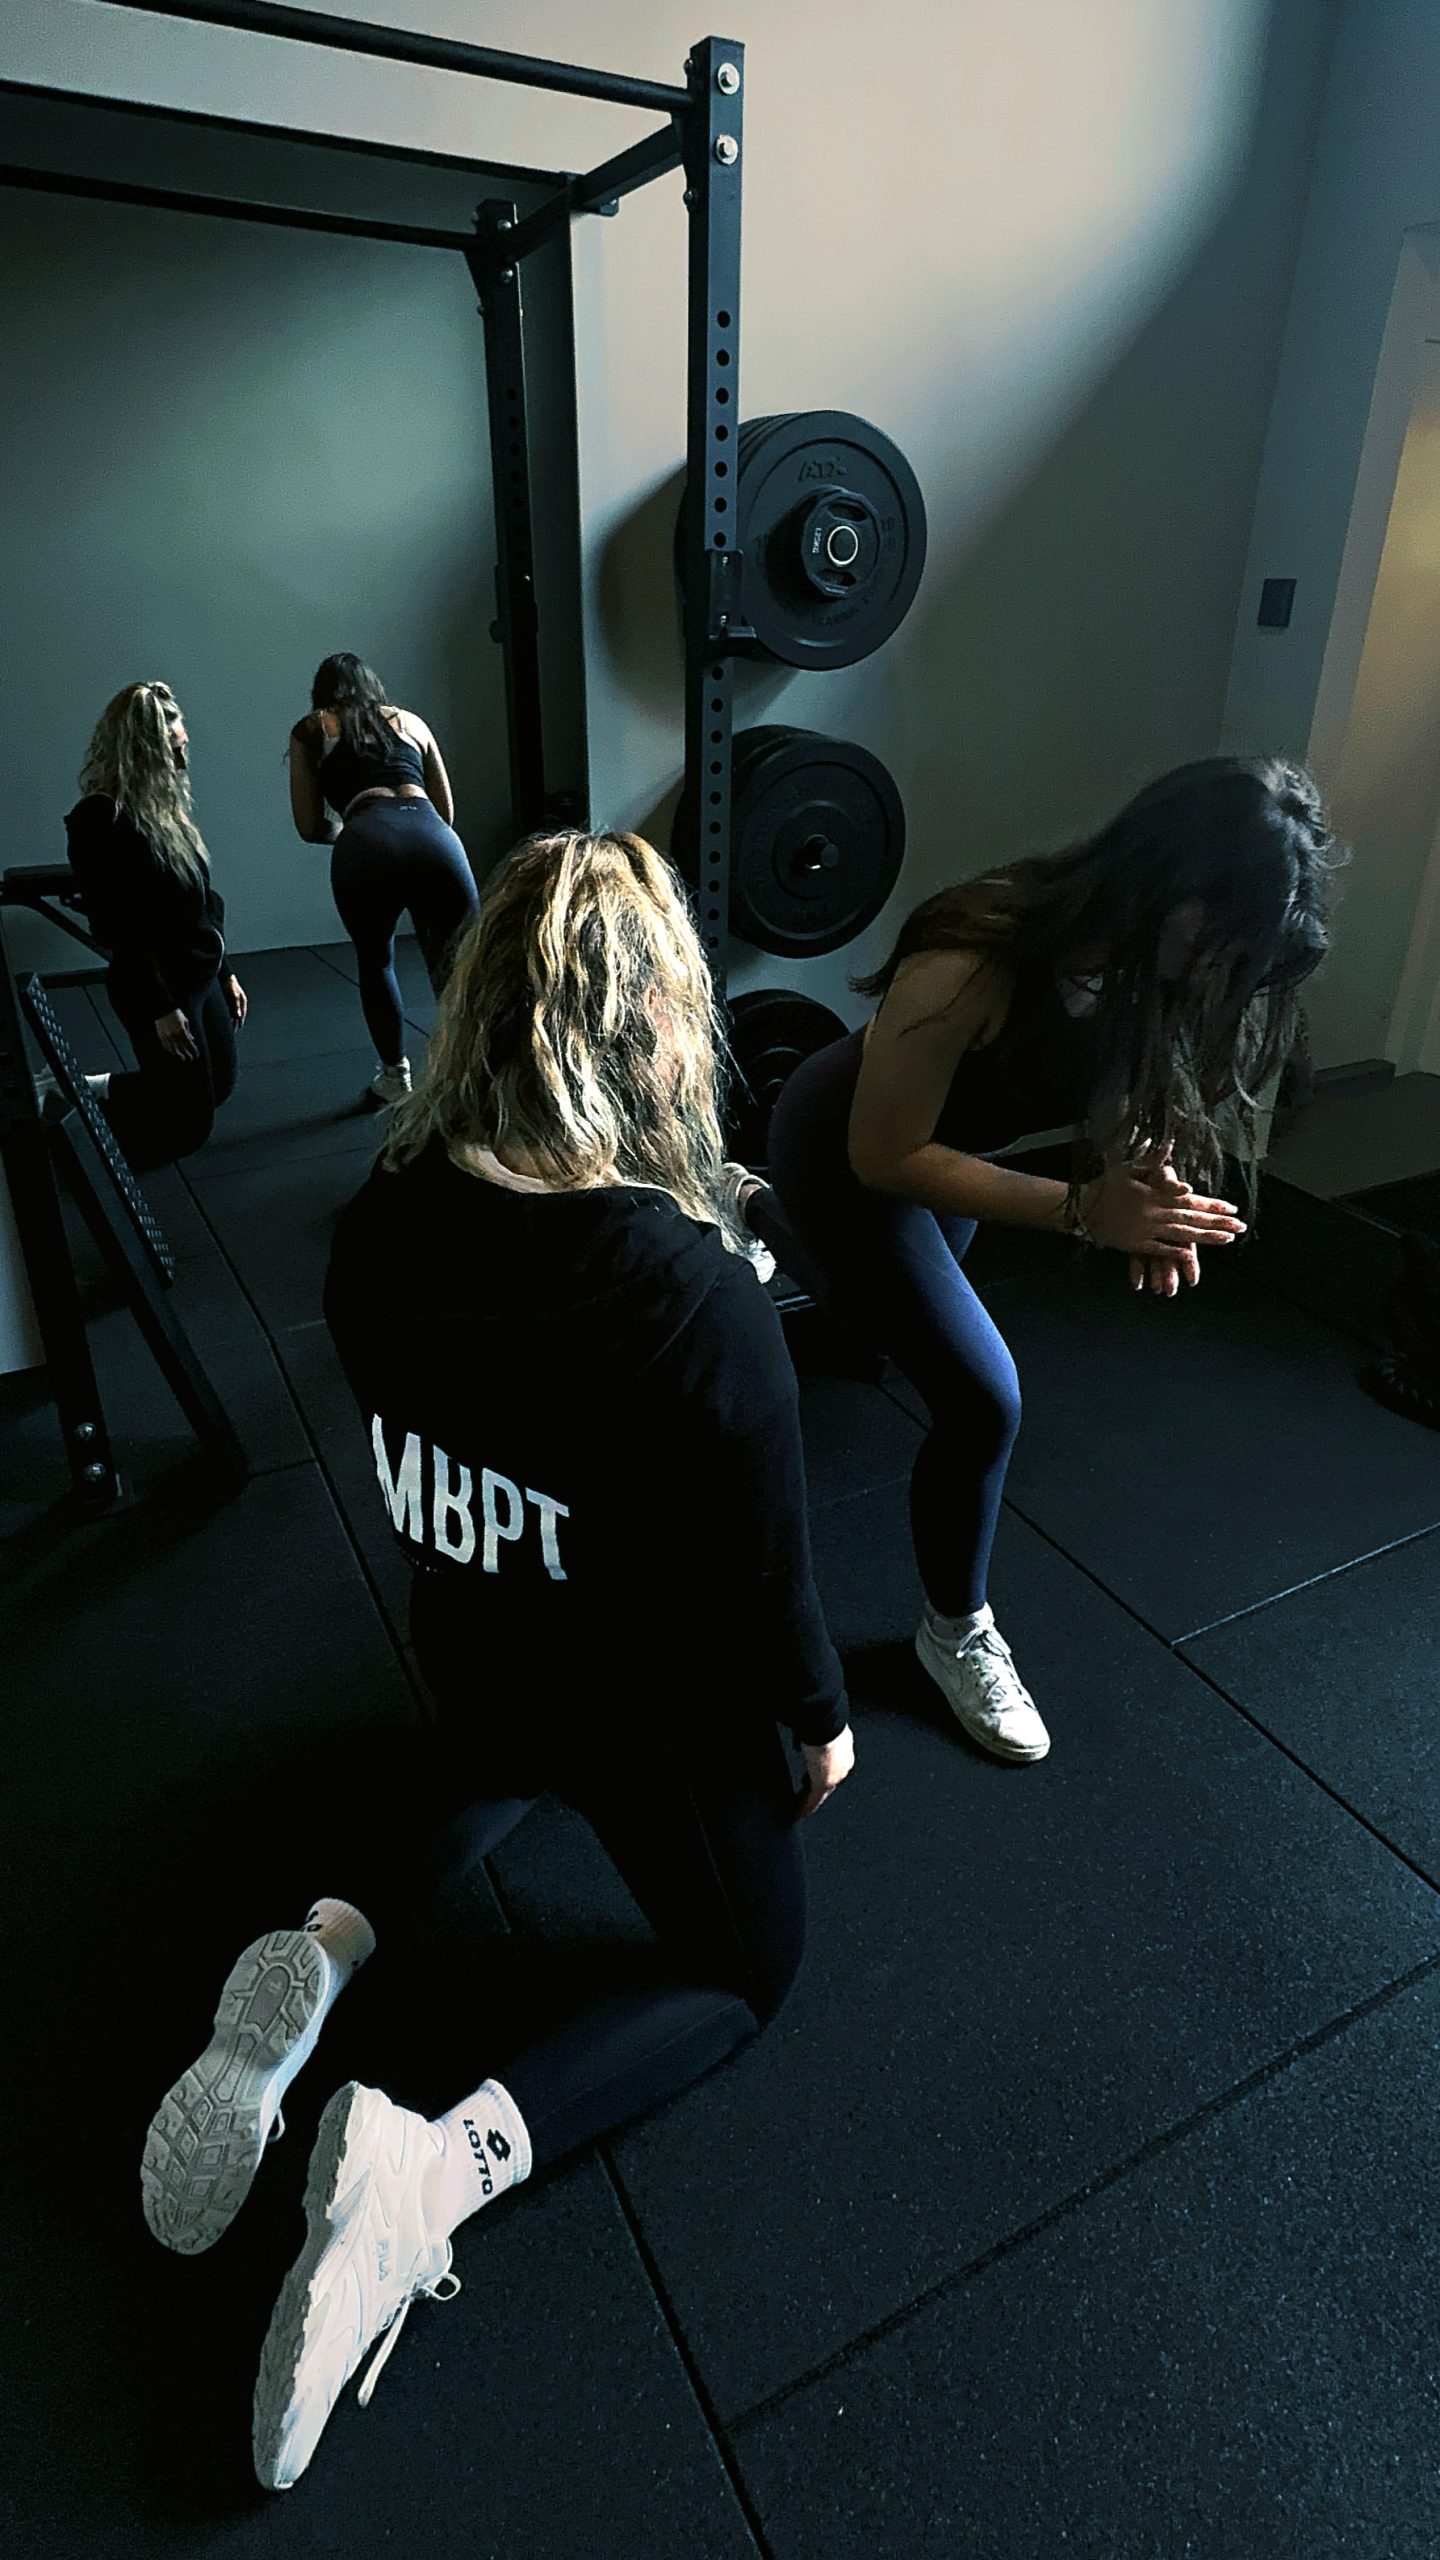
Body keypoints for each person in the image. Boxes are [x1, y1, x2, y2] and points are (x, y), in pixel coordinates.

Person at [137, 830, 854, 2494]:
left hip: (473, 1649)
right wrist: (819, 1721)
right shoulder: (699, 1305)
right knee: (752, 1973)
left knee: (494, 1753)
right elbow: (772, 1581)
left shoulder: (374, 1228)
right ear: (656, 1024)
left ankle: (315, 1954)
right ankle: (428, 2174)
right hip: (638, 1716)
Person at [753, 756, 1340, 1767]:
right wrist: (1086, 1211)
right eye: (1225, 944)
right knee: (983, 1400)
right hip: (846, 1149)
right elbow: (885, 1156)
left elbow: (1111, 1079)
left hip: (949, 1154)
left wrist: (1140, 1180)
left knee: (874, 1337)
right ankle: (954, 1634)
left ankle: (755, 1212)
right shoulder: (972, 956)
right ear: (1174, 891)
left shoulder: (1151, 960)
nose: (1224, 975)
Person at [63, 682, 246, 1171]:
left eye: (183, 747)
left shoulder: (167, 812)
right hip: (157, 986)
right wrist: (161, 1008)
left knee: (219, 1087)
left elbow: (201, 903)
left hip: (200, 973)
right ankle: (77, 1131)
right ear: (142, 753)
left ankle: (97, 1088)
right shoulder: (100, 818)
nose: (182, 761)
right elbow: (117, 926)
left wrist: (225, 971)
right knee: (187, 1127)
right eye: (173, 751)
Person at [287, 653, 479, 1105]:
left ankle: (395, 1078)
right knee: (462, 963)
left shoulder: (313, 728)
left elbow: (309, 826)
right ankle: (472, 1072)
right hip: (435, 837)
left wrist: (354, 833)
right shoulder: (411, 722)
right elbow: (446, 812)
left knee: (377, 962)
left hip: (367, 837)